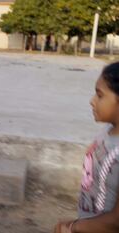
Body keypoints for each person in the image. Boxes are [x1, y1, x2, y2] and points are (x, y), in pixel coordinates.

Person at [54, 62, 119, 233]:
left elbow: (115, 221)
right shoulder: (108, 130)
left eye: (100, 95)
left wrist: (73, 227)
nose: (92, 101)